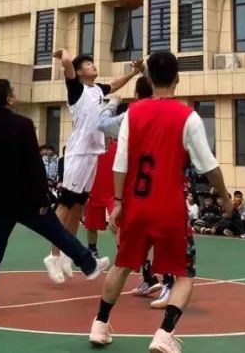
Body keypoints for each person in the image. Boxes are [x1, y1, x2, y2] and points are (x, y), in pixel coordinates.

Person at [88, 50, 231, 352]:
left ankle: (100, 324)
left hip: (136, 205)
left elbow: (120, 164)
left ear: (149, 79)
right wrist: (225, 197)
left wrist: (118, 201)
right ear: (178, 78)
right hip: (169, 209)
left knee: (121, 265)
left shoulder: (133, 114)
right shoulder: (188, 117)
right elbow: (209, 167)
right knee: (184, 274)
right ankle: (164, 333)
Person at [0, 78, 108, 312]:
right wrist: (43, 197)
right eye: (13, 92)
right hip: (26, 198)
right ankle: (89, 265)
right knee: (57, 233)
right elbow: (34, 163)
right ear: (9, 99)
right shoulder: (23, 124)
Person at [45, 49, 136, 283]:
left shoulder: (97, 90)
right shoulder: (76, 89)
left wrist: (133, 73)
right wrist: (63, 54)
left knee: (78, 206)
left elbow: (114, 84)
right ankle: (53, 256)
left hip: (93, 154)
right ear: (78, 72)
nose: (92, 65)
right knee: (65, 204)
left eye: (92, 63)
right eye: (87, 64)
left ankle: (68, 254)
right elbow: (67, 62)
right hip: (78, 153)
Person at [83, 135, 117, 257]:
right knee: (92, 225)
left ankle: (122, 252)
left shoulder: (118, 147)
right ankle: (92, 250)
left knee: (117, 224)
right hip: (94, 191)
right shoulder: (90, 147)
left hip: (113, 193)